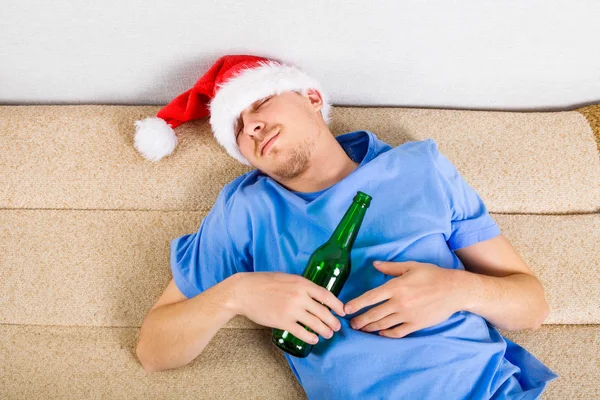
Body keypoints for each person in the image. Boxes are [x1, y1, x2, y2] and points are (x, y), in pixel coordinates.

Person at [134, 55, 559, 399]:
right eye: (237, 128)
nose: (252, 126)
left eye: (260, 103)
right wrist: (235, 295)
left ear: (313, 97)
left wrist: (457, 289)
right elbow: (154, 350)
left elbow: (532, 307)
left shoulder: (419, 167)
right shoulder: (245, 207)